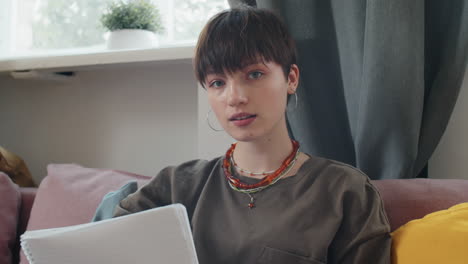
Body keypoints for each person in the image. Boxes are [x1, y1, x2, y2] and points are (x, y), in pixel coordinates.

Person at [113, 6, 391, 264]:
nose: (235, 97)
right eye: (218, 82)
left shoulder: (344, 191)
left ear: (291, 78)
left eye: (255, 74)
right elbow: (103, 245)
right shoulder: (175, 187)